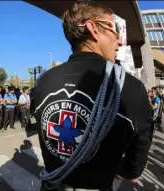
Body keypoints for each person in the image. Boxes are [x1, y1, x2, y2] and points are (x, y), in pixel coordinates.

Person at [34, 1, 153, 190]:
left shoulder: (43, 81)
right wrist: (123, 170)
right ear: (92, 28)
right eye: (114, 28)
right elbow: (136, 161)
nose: (120, 40)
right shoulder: (131, 87)